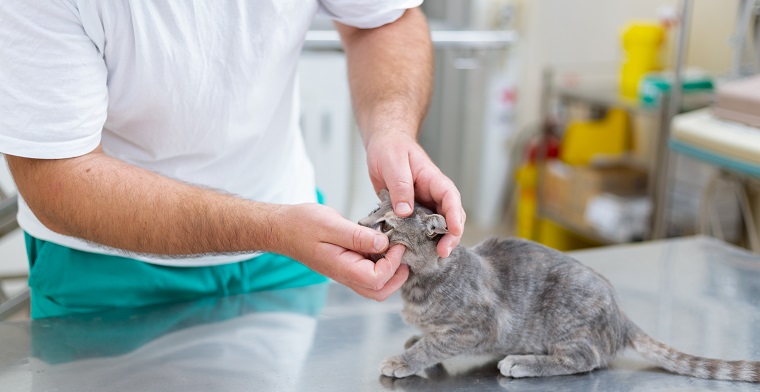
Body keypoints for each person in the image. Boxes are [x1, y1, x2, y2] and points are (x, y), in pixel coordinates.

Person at [0, 1, 465, 318]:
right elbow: (56, 178)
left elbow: (382, 17)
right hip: (106, 263)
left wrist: (391, 128)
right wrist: (271, 229)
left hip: (287, 245)